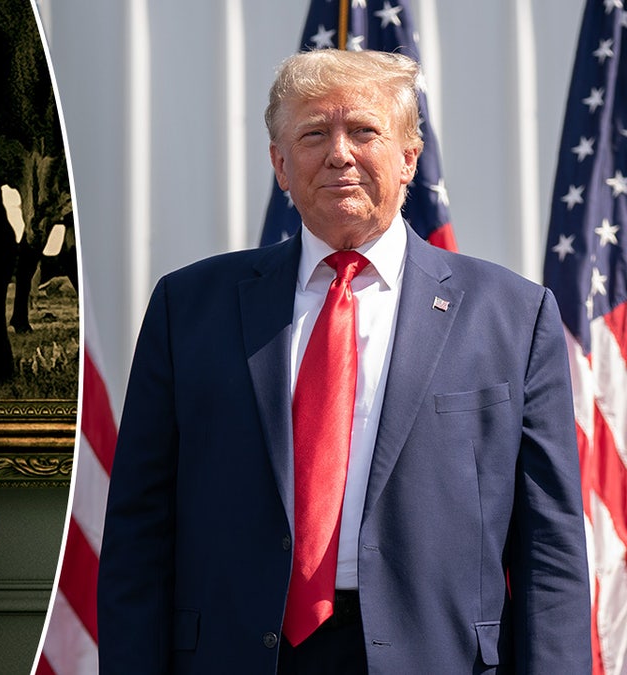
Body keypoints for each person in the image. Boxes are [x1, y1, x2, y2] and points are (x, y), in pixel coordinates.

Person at [97, 49, 591, 673]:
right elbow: (138, 538)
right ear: (279, 164)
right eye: (312, 135)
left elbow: (550, 550)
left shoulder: (515, 317)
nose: (340, 153)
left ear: (410, 156)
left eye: (364, 131)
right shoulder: (188, 308)